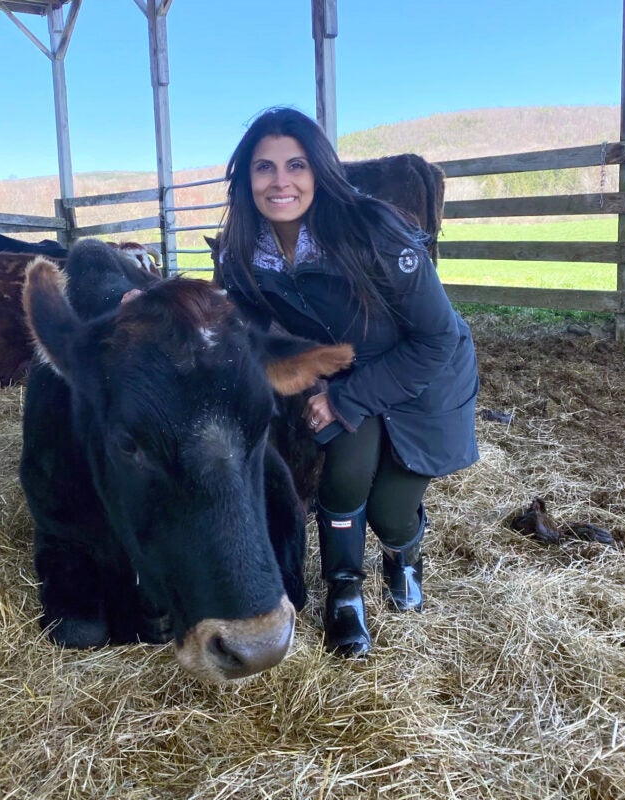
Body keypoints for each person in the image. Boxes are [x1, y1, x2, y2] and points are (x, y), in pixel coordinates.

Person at [215, 107, 479, 658]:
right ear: (246, 179)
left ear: (320, 171)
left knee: (388, 512)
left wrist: (347, 399)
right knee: (341, 483)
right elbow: (236, 318)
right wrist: (158, 306)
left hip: (425, 374)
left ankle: (404, 553)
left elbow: (435, 337)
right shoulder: (245, 252)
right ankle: (344, 592)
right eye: (264, 168)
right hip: (347, 369)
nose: (280, 181)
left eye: (296, 165)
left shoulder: (371, 231)